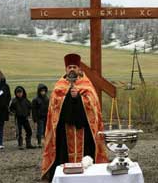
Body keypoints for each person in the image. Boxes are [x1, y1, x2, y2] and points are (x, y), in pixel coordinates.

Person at [41, 53, 108, 181]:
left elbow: (93, 108)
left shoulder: (87, 85)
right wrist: (68, 98)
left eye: (74, 67)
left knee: (88, 163)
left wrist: (78, 98)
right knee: (63, 164)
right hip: (64, 132)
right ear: (66, 69)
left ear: (79, 69)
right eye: (69, 67)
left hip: (85, 131)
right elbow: (54, 110)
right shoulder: (59, 87)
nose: (72, 69)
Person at [32, 83, 49, 148]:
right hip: (39, 117)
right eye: (41, 91)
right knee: (40, 130)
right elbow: (33, 110)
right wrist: (35, 119)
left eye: (44, 91)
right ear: (39, 91)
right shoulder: (35, 100)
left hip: (46, 116)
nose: (43, 92)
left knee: (45, 130)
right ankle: (39, 142)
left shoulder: (47, 99)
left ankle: (45, 141)